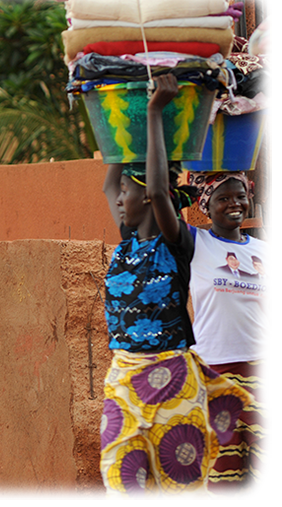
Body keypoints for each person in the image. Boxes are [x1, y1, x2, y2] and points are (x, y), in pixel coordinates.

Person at [98, 73, 251, 500]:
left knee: (180, 486)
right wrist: (118, 108)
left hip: (172, 375)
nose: (116, 199)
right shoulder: (128, 242)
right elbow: (109, 180)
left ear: (147, 197)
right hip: (124, 375)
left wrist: (153, 112)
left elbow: (163, 195)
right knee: (121, 481)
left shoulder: (176, 242)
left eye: (125, 192)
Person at [186, 170, 272, 499]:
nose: (234, 204)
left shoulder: (266, 252)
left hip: (264, 373)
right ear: (206, 206)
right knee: (223, 480)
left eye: (240, 196)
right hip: (215, 376)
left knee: (270, 477)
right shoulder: (195, 243)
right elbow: (157, 210)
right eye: (223, 198)